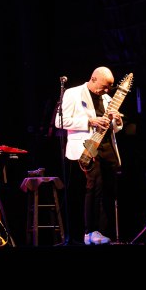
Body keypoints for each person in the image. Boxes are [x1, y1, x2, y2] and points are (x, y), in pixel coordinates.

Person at [55, 66, 124, 245]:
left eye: (109, 87)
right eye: (104, 86)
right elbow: (60, 122)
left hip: (107, 147)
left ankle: (105, 231)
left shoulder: (107, 97)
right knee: (94, 188)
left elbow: (115, 128)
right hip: (87, 148)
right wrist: (89, 121)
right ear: (93, 79)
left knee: (109, 188)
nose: (107, 90)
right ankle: (90, 232)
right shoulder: (72, 93)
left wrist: (117, 120)